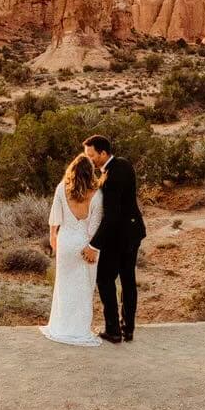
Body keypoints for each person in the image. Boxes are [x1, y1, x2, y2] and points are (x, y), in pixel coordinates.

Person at [82, 135, 146, 343]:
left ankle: (113, 330)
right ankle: (128, 329)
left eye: (91, 155)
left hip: (117, 237)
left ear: (103, 153)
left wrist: (93, 244)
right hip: (134, 232)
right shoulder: (125, 164)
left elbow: (111, 217)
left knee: (105, 279)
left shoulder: (109, 178)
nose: (89, 159)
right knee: (128, 280)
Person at [39, 155, 104, 346]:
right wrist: (92, 247)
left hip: (65, 242)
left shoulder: (61, 189)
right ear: (90, 173)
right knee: (85, 287)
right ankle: (79, 329)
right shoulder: (97, 195)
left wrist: (53, 237)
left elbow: (55, 218)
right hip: (86, 244)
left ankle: (61, 326)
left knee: (64, 285)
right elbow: (95, 226)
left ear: (72, 171)